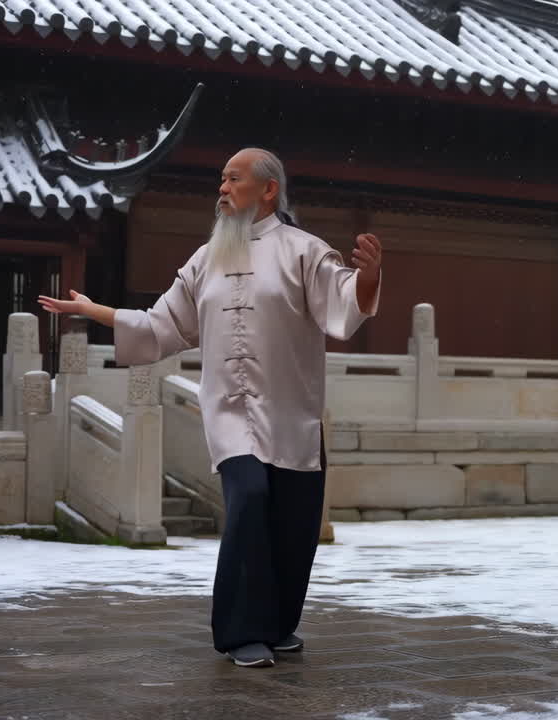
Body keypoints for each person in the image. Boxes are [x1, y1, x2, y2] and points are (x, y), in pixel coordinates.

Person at [37, 148, 382, 668]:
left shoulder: (305, 252)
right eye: (220, 179)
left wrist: (371, 278)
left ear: (268, 190)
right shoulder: (205, 260)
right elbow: (161, 326)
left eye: (233, 179)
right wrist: (95, 311)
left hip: (292, 415)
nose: (222, 188)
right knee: (247, 499)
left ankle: (278, 624)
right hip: (229, 413)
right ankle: (240, 630)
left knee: (293, 523)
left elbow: (343, 304)